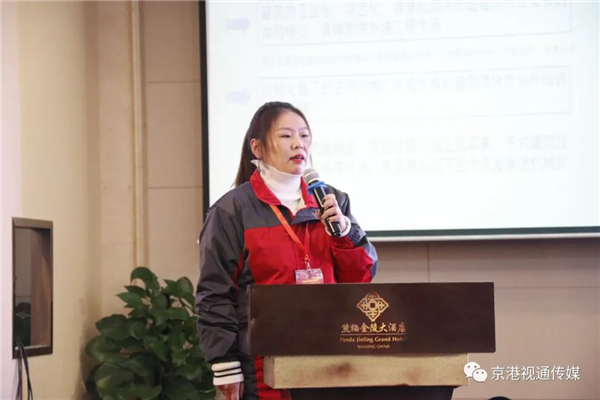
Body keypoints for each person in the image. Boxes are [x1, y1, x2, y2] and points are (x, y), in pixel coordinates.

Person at [195, 101, 378, 400]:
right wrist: (224, 363)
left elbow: (360, 278)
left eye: (304, 135)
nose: (298, 144)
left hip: (330, 355)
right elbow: (215, 293)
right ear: (257, 147)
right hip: (262, 364)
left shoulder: (332, 201)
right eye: (285, 135)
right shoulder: (232, 211)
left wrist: (345, 234)